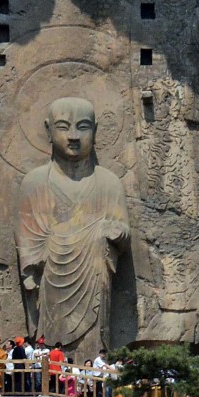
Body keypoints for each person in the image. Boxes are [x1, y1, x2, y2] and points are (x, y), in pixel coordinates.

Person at [16, 97, 130, 356]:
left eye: (83, 127)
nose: (73, 136)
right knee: (49, 338)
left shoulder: (108, 183)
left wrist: (116, 232)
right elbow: (27, 238)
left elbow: (123, 232)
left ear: (96, 130)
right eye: (63, 127)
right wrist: (32, 268)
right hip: (51, 279)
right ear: (48, 130)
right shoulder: (35, 183)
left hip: (93, 278)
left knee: (92, 342)